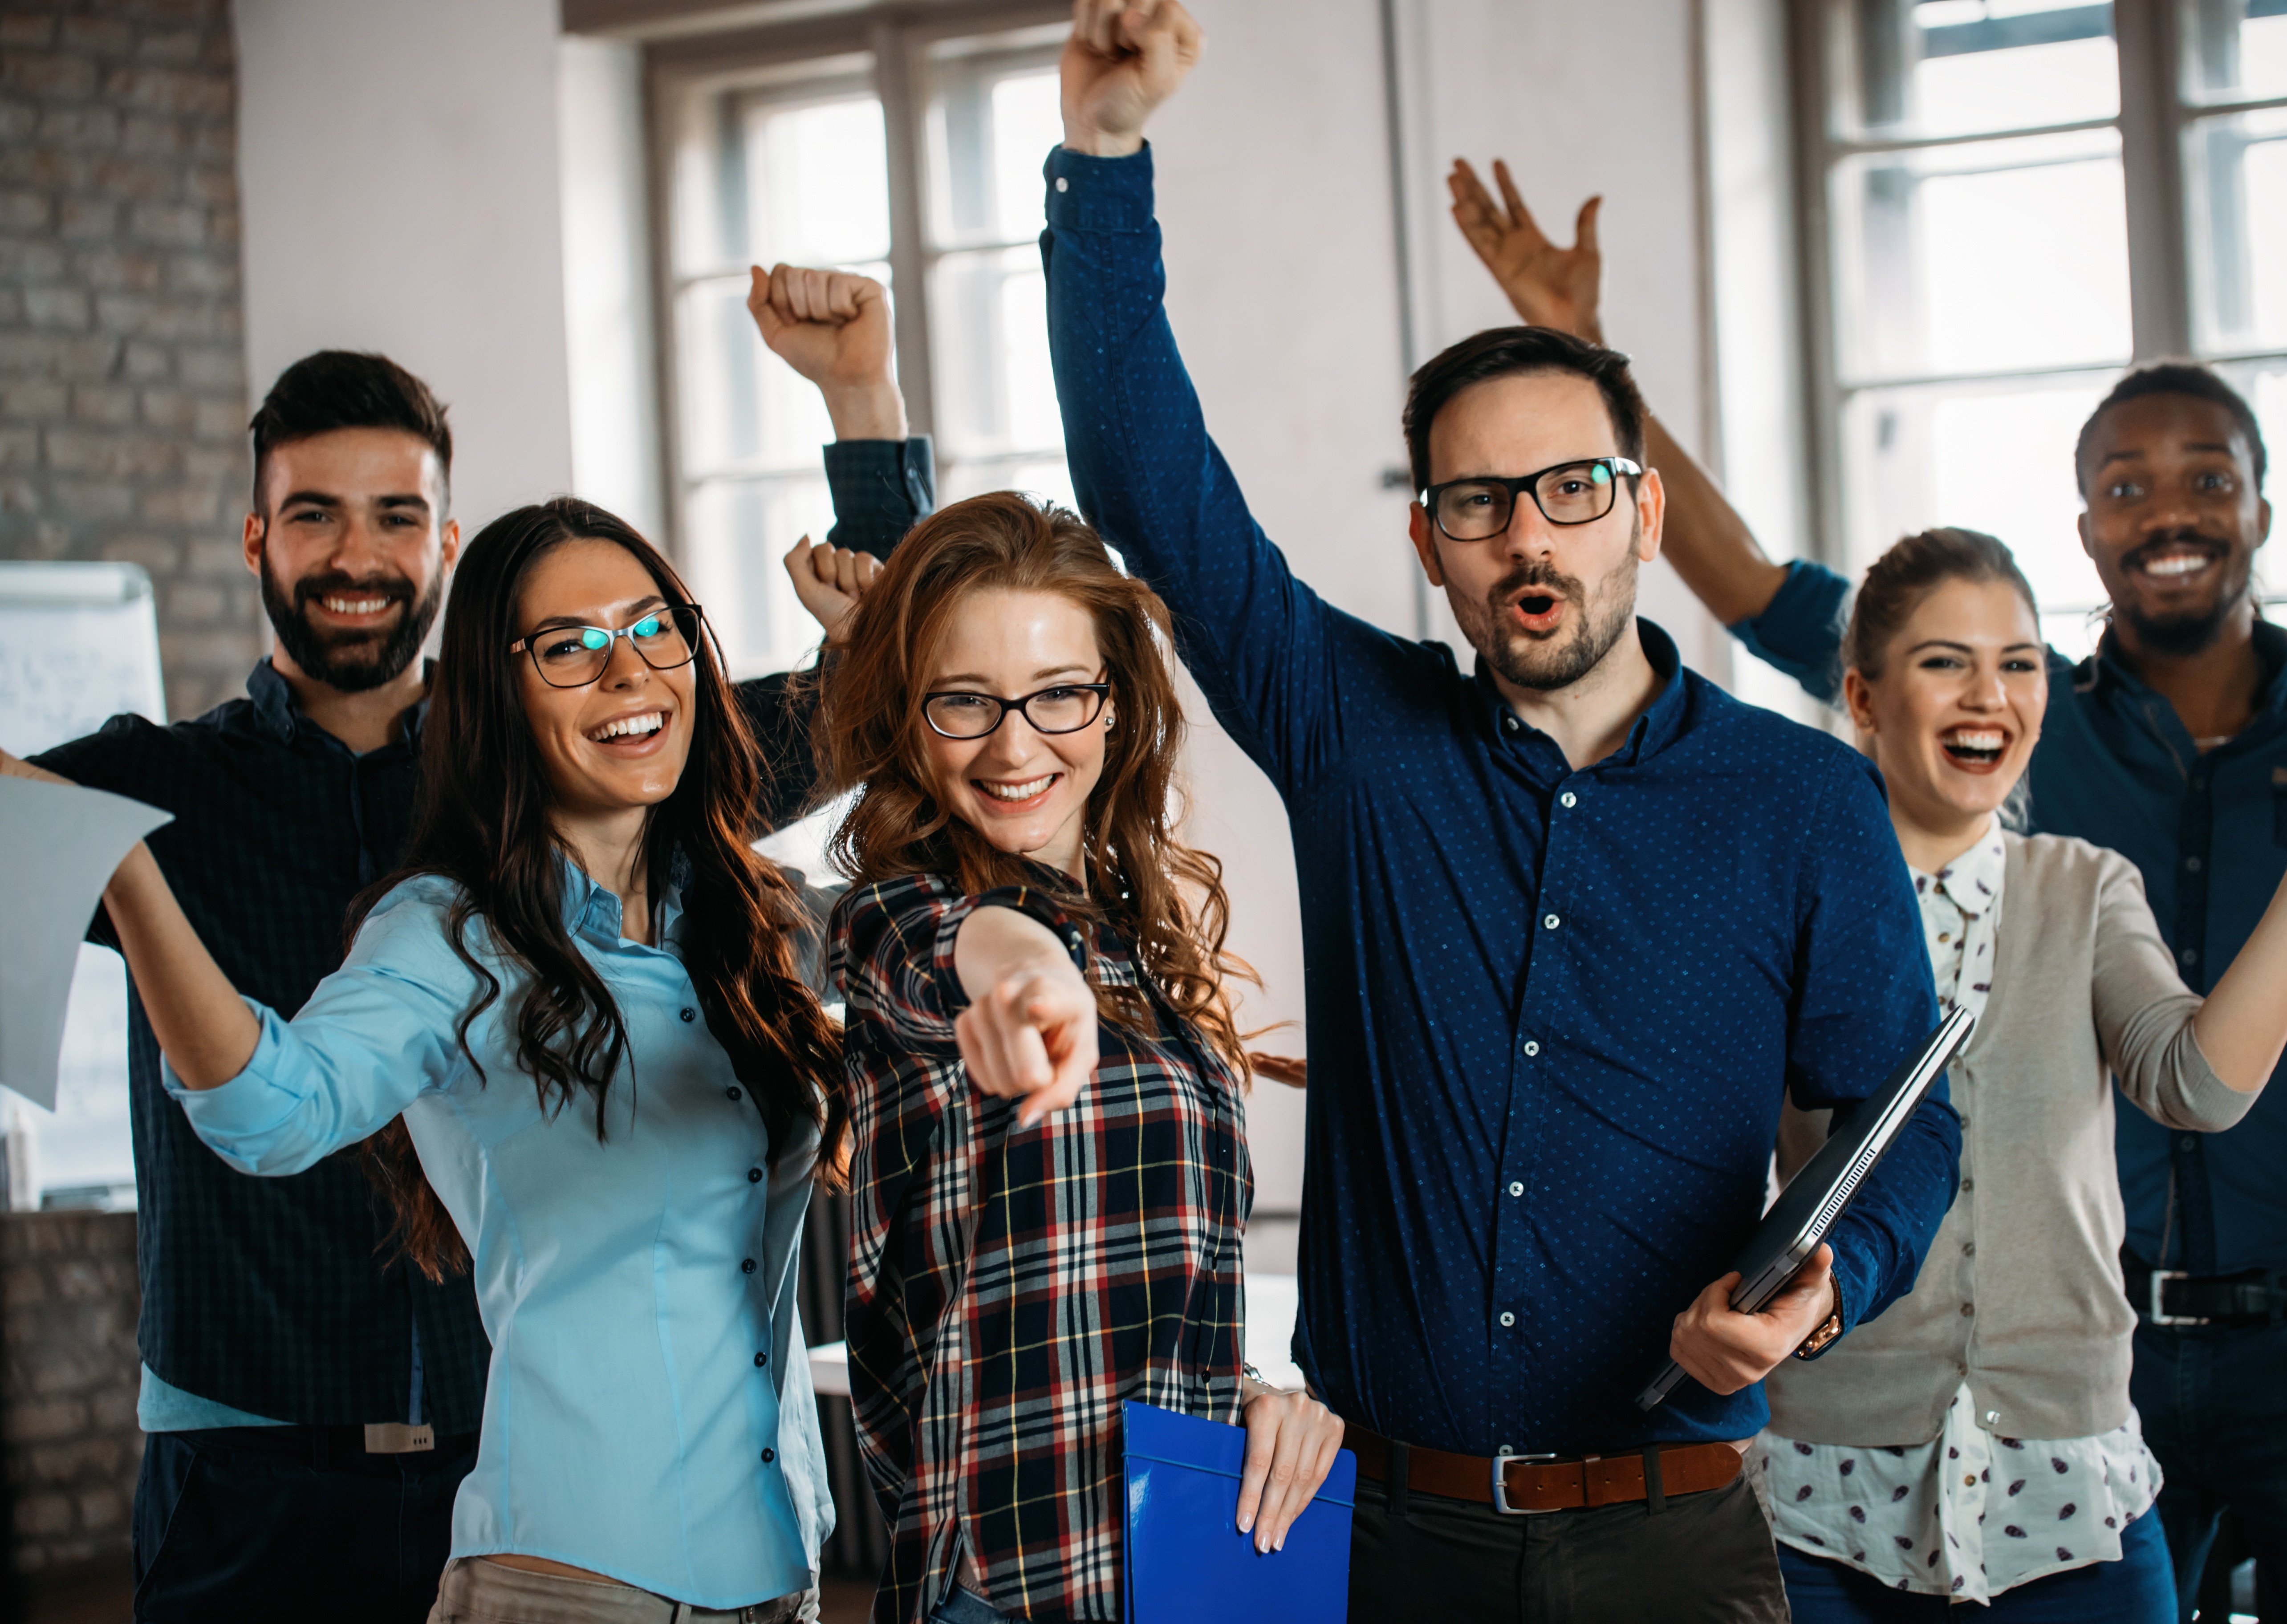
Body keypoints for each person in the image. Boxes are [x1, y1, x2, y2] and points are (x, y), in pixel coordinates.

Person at [1041, 8, 1963, 1619]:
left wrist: (1818, 1292)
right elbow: (1152, 488)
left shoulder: (1804, 797)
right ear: (1430, 538)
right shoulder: (1354, 734)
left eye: (1570, 490)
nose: (1527, 536)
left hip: (1673, 1532)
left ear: (1643, 512)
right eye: (1478, 503)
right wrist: (1105, 153)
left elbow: (1906, 1116)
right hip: (1384, 1528)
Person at [1448, 156, 2287, 1620]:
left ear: (2264, 509)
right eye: (2123, 483)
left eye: (2208, 478)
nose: (2167, 509)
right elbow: (1748, 584)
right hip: (1972, 1402)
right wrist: (1593, 369)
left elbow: (2196, 1074)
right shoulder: (1909, 799)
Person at [27, 279, 923, 1621]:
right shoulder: (158, 790)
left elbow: (891, 690)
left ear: (446, 543)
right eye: (315, 515)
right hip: (254, 1463)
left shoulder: (578, 764)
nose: (357, 553)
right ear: (258, 536)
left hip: (508, 1447)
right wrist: (94, 845)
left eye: (396, 517)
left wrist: (860, 404)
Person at [1744, 530, 2287, 1620]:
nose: (1991, 695)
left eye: (2019, 662)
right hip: (1826, 1495)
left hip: (2066, 1495)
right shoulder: (1779, 893)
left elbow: (2197, 1088)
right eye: (1944, 661)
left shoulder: (2084, 888)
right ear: (1864, 697)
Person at [817, 491, 1345, 1624]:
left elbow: (1142, 1297)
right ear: (910, 717)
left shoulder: (1140, 960)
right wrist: (1028, 979)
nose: (1016, 745)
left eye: (1059, 693)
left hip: (1193, 1576)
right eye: (965, 702)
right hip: (1010, 1594)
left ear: (1117, 706)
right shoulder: (895, 919)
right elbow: (978, 952)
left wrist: (1253, 1398)